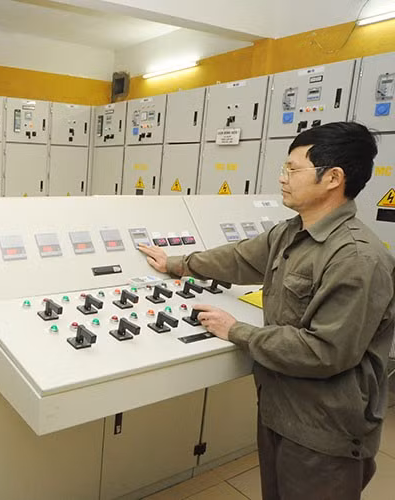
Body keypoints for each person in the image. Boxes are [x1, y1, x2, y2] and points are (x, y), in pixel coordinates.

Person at [139, 122, 395, 500]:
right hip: (280, 408)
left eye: (293, 169)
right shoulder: (291, 233)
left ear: (333, 178)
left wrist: (236, 330)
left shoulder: (356, 258)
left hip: (325, 428)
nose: (282, 177)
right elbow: (239, 259)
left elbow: (325, 351)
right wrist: (177, 264)